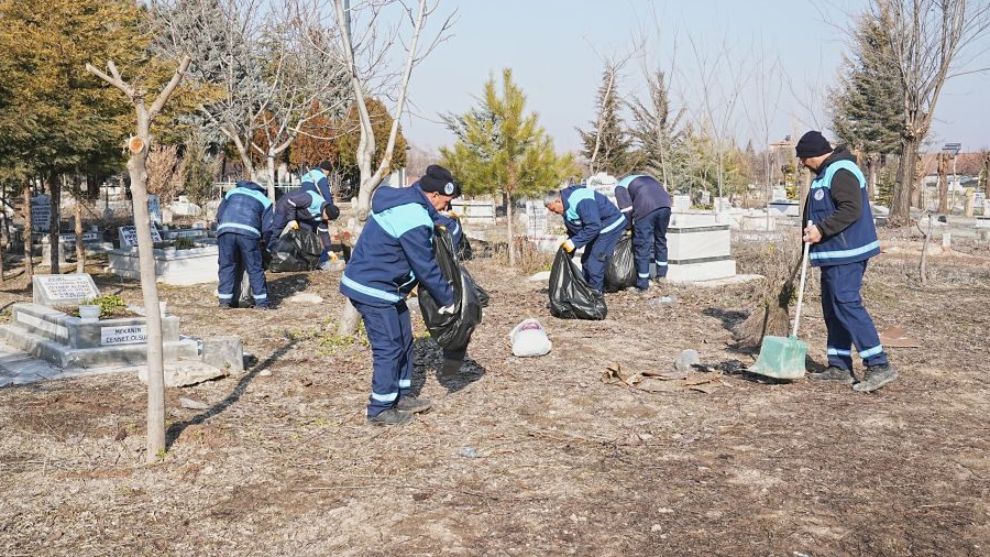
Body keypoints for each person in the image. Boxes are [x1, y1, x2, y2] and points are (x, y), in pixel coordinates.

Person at [340, 174, 458, 426]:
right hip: (373, 287)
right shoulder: (412, 217)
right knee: (389, 347)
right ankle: (380, 409)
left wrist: (448, 224)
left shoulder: (413, 201)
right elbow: (424, 265)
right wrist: (446, 299)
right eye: (446, 203)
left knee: (404, 339)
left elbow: (432, 216)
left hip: (387, 286)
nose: (446, 209)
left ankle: (401, 395)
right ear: (434, 196)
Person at [796, 130, 897, 393]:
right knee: (833, 307)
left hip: (848, 253)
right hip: (832, 255)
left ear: (812, 155)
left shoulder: (841, 170)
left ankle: (878, 363)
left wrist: (821, 230)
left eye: (802, 158)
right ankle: (839, 365)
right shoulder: (824, 175)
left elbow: (851, 208)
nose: (801, 164)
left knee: (846, 303)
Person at [544, 184, 627, 293]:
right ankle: (586, 290)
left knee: (594, 260)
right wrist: (569, 250)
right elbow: (575, 229)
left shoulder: (581, 200)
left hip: (610, 224)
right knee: (586, 260)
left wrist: (574, 242)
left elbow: (593, 226)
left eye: (554, 210)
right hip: (597, 227)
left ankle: (595, 295)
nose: (554, 213)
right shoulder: (565, 207)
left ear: (558, 201)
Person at [216, 180, 274, 309]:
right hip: (249, 233)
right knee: (254, 267)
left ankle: (225, 301)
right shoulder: (265, 200)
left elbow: (220, 214)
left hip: (226, 230)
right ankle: (262, 303)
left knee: (227, 265)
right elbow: (268, 228)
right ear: (262, 189)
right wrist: (266, 245)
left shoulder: (232, 192)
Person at [614, 173, 672, 292]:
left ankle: (642, 284)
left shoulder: (620, 187)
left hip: (645, 208)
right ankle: (661, 276)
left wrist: (629, 227)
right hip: (665, 205)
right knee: (660, 239)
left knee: (642, 245)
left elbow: (626, 210)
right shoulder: (648, 177)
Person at [271, 186, 341, 268]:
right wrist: (292, 219)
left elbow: (324, 233)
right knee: (277, 230)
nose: (327, 219)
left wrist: (329, 250)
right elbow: (291, 201)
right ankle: (271, 254)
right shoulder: (311, 199)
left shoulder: (324, 215)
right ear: (325, 210)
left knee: (306, 234)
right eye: (327, 217)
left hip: (300, 214)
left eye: (329, 219)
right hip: (285, 206)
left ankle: (297, 257)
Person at [299, 161, 335, 265]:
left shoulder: (307, 175)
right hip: (317, 206)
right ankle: (327, 252)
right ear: (327, 170)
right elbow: (326, 194)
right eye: (329, 173)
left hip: (304, 206)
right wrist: (330, 208)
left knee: (308, 230)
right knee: (323, 228)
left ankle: (309, 255)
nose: (328, 175)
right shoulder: (321, 177)